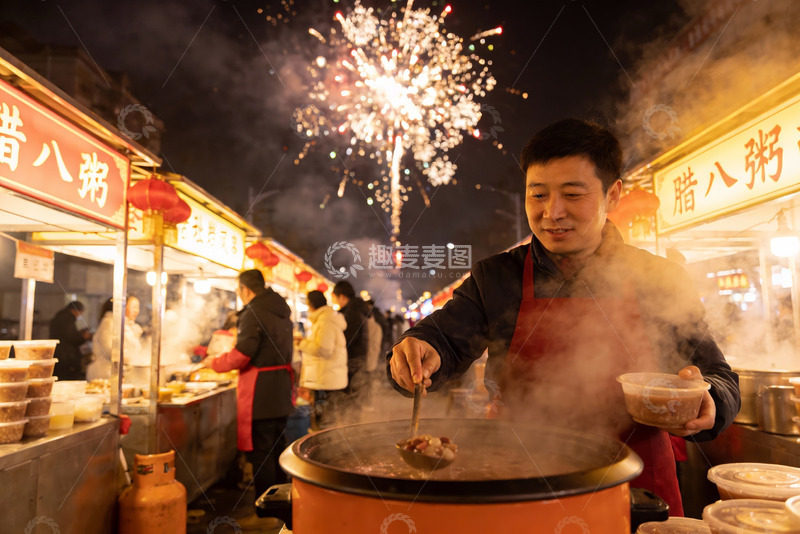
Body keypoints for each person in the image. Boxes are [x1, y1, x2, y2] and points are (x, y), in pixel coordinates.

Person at [387, 118, 740, 517]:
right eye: (537, 195)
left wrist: (708, 398)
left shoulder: (659, 279)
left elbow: (719, 377)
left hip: (634, 489)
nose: (552, 213)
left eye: (573, 194)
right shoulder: (496, 277)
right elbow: (444, 340)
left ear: (614, 195)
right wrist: (419, 349)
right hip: (518, 480)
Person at [202, 269, 293, 528]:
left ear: (245, 289)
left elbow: (243, 353)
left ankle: (265, 509)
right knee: (276, 446)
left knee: (261, 452)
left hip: (261, 391)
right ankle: (283, 501)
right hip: (280, 388)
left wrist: (214, 362)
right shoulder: (279, 309)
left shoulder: (253, 312)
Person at [297, 290, 348, 429]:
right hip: (326, 378)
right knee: (326, 420)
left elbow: (325, 349)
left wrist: (302, 344)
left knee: (324, 422)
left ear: (311, 305)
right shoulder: (324, 319)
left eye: (307, 305)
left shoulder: (325, 322)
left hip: (326, 380)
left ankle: (324, 448)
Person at [87, 296, 144, 380]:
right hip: (105, 375)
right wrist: (135, 361)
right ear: (121, 307)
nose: (137, 311)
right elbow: (110, 352)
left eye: (138, 307)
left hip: (119, 375)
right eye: (133, 307)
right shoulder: (109, 323)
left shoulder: (128, 325)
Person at [331, 281, 370, 396]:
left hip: (352, 359)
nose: (336, 302)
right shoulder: (358, 308)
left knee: (349, 396)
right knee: (355, 395)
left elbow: (347, 339)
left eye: (335, 298)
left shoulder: (351, 312)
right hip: (359, 358)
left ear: (342, 296)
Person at [50, 301, 92, 380]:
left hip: (59, 354)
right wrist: (84, 337)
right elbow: (71, 337)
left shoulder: (60, 316)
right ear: (76, 310)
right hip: (66, 357)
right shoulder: (67, 318)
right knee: (66, 379)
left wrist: (80, 333)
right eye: (80, 313)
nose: (80, 315)